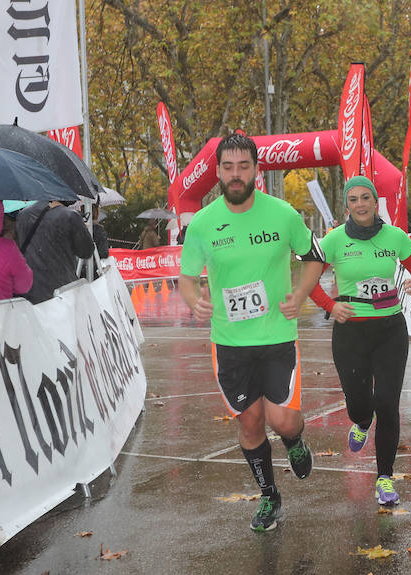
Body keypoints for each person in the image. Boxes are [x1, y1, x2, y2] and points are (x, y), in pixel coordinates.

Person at [178, 134, 325, 532]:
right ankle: (269, 497)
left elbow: (315, 257)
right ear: (218, 172)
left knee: (283, 421)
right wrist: (194, 302)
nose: (236, 174)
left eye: (244, 166)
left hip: (277, 335)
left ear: (257, 170)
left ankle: (295, 441)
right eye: (228, 167)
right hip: (229, 343)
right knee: (250, 423)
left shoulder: (282, 214)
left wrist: (300, 293)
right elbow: (186, 279)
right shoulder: (204, 224)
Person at [308, 175, 411, 507]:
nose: (360, 204)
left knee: (388, 404)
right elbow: (309, 281)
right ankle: (361, 422)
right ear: (346, 205)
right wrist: (331, 306)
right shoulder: (333, 240)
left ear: (375, 202)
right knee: (360, 405)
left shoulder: (395, 237)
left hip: (390, 330)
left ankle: (385, 478)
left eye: (366, 198)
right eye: (354, 199)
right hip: (351, 334)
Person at [15, 200, 94, 304]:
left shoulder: (23, 214)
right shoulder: (70, 216)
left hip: (28, 293)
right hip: (61, 293)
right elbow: (86, 252)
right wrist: (82, 230)